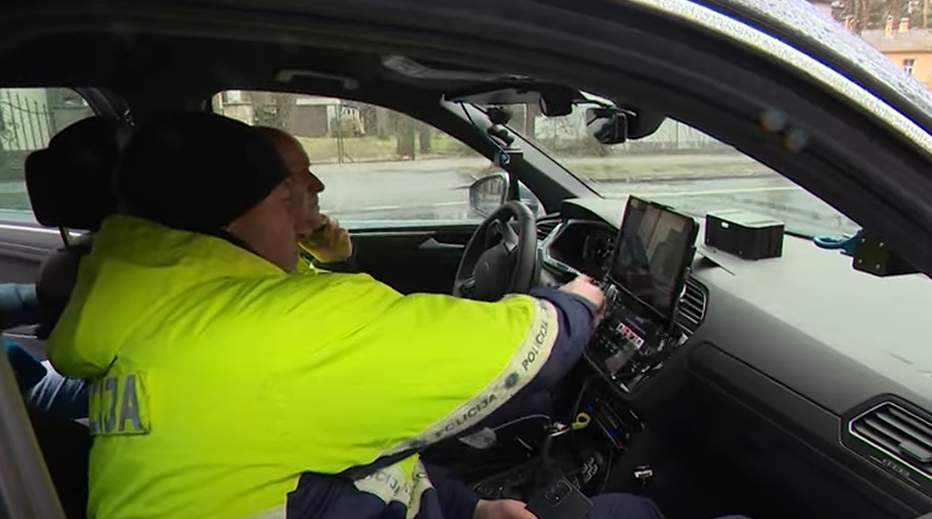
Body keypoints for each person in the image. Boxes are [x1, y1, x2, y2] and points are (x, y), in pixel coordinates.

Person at [44, 113, 739, 519]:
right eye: (288, 199)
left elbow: (323, 472)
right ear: (232, 217)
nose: (304, 213)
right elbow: (518, 349)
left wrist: (466, 508)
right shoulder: (274, 327)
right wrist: (581, 302)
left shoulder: (146, 316)